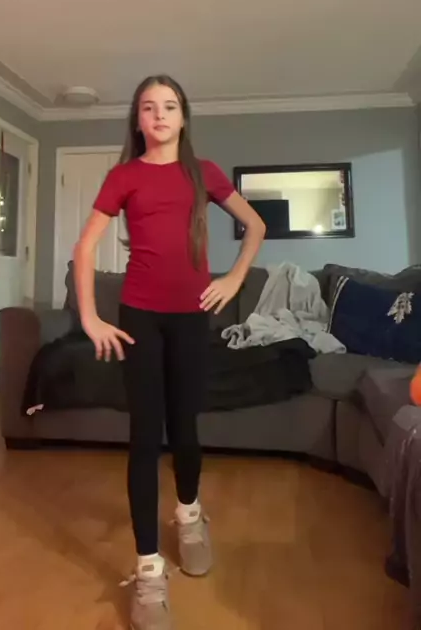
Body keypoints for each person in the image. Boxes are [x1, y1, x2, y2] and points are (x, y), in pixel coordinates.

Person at [73, 75, 266, 630]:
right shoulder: (124, 176)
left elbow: (255, 225)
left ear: (183, 117)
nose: (159, 114)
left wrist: (234, 278)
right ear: (138, 121)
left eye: (169, 106)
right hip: (140, 318)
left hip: (190, 319)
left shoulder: (203, 173)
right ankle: (149, 570)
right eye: (148, 107)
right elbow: (84, 248)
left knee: (184, 427)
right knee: (144, 437)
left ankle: (189, 515)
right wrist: (90, 317)